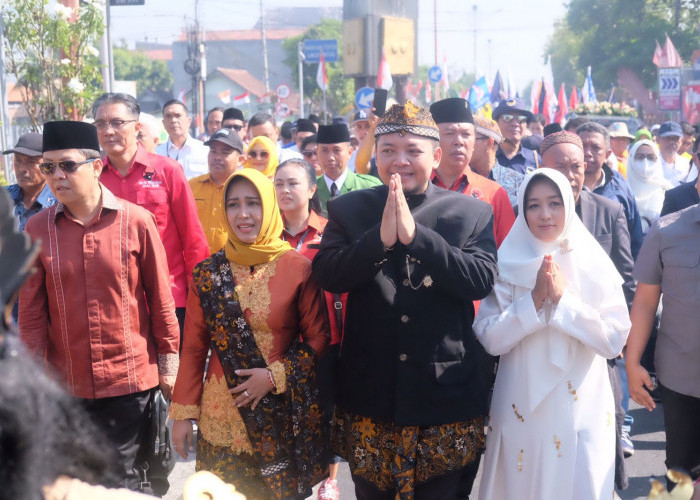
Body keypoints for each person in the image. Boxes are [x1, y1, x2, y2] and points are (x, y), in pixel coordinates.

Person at [313, 102, 498, 499]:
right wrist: (378, 239)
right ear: (374, 156)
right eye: (389, 151)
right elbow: (328, 273)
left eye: (412, 151)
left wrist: (418, 238)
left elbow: (480, 280)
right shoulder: (349, 208)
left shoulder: (471, 213)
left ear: (435, 156)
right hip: (370, 394)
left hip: (445, 397)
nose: (400, 161)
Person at [18, 121, 180, 491]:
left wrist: (170, 370)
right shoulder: (38, 230)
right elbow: (30, 316)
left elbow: (161, 300)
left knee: (121, 482)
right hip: (67, 387)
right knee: (76, 484)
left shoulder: (136, 222)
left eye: (67, 165)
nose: (57, 176)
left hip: (130, 384)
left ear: (95, 166)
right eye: (49, 167)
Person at [170, 168, 329, 500]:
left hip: (278, 417)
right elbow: (194, 349)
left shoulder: (299, 268)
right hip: (219, 422)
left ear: (269, 207)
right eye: (233, 205)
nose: (243, 214)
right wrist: (183, 415)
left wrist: (274, 377)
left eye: (253, 203)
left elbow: (318, 339)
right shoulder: (207, 273)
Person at [474, 169, 630, 500]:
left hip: (581, 401)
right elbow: (489, 338)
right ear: (523, 209)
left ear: (570, 204)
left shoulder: (592, 263)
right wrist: (532, 303)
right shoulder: (508, 262)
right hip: (520, 402)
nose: (545, 214)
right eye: (533, 205)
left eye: (554, 203)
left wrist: (563, 302)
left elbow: (614, 340)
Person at [539, 131, 636, 490]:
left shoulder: (608, 211)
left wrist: (607, 328)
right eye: (559, 166)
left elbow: (626, 280)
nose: (570, 174)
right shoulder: (526, 212)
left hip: (595, 348)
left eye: (576, 166)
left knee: (596, 458)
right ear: (540, 167)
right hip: (539, 350)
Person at [94, 92, 210, 335]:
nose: (108, 130)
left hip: (168, 296)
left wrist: (200, 296)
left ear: (136, 127)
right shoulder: (93, 177)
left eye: (117, 122)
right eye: (101, 123)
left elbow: (193, 238)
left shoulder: (167, 171)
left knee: (172, 372)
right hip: (113, 301)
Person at [273, 158, 345, 500]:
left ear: (312, 189)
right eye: (279, 184)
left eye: (293, 184)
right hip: (281, 340)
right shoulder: (268, 235)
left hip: (325, 335)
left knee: (326, 409)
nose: (285, 191)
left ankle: (329, 480)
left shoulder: (331, 231)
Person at [626, 188, 700, 477]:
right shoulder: (667, 231)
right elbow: (644, 303)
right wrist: (632, 364)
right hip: (682, 381)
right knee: (681, 475)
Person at [429, 97, 516, 247]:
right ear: (433, 139)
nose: (459, 141)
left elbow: (511, 252)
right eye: (449, 133)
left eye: (466, 134)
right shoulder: (417, 186)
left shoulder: (495, 193)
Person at [577, 121, 643, 258]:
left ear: (607, 154)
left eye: (596, 148)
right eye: (583, 147)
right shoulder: (562, 188)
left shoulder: (620, 189)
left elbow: (635, 239)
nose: (588, 153)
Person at [190, 128, 247, 254]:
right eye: (213, 151)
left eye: (225, 153)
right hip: (198, 264)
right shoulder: (191, 186)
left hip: (234, 263)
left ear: (241, 159)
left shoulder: (247, 189)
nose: (217, 157)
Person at [314, 123, 381, 217]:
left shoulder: (370, 187)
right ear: (317, 153)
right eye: (324, 150)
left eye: (337, 150)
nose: (330, 157)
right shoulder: (310, 190)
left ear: (350, 152)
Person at [3, 132, 56, 231]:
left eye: (31, 161)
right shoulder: (5, 197)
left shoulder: (59, 203)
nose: (22, 168)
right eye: (18, 160)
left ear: (48, 166)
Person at [470, 116, 524, 207]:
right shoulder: (457, 179)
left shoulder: (519, 182)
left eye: (469, 138)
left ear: (489, 143)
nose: (463, 143)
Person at [626, 139, 673, 232]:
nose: (645, 162)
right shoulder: (622, 189)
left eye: (651, 157)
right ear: (631, 158)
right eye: (640, 157)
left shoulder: (668, 190)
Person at [156, 99, 209, 179]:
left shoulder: (205, 151)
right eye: (168, 116)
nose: (173, 120)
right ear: (163, 123)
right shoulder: (156, 153)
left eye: (178, 115)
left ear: (188, 121)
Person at [493, 98, 540, 174]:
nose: (515, 124)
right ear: (497, 123)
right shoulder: (486, 156)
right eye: (507, 118)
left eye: (521, 119)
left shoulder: (535, 159)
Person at [657, 121, 697, 185]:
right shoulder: (650, 162)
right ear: (658, 140)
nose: (672, 142)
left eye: (675, 139)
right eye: (667, 138)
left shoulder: (686, 165)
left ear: (680, 141)